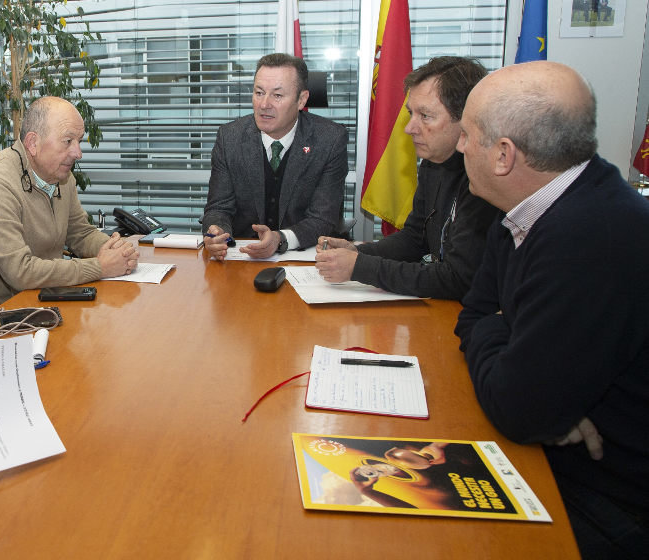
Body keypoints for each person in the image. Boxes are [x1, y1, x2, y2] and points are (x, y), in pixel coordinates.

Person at [454, 61, 649, 558]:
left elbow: (519, 411)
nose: (458, 148)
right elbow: (473, 314)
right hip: (559, 455)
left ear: (503, 155)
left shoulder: (590, 237)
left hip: (608, 495)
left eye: (467, 135)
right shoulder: (529, 207)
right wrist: (513, 351)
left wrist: (524, 377)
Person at [0, 96, 139, 334]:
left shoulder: (60, 176)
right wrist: (100, 267)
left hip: (38, 303)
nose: (78, 153)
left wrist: (117, 249)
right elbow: (21, 272)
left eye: (78, 141)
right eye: (68, 141)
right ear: (33, 143)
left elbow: (80, 232)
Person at [315, 57, 498, 300]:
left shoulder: (486, 180)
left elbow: (458, 279)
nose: (409, 128)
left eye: (425, 116)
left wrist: (359, 267)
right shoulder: (433, 164)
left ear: (466, 119)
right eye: (412, 113)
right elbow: (415, 238)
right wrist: (358, 252)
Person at [202, 52, 348, 260]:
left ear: (301, 100)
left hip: (303, 258)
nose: (264, 104)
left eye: (277, 95)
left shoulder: (330, 140)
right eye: (259, 93)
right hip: (242, 258)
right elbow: (218, 207)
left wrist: (280, 239)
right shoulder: (230, 138)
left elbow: (322, 219)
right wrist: (216, 232)